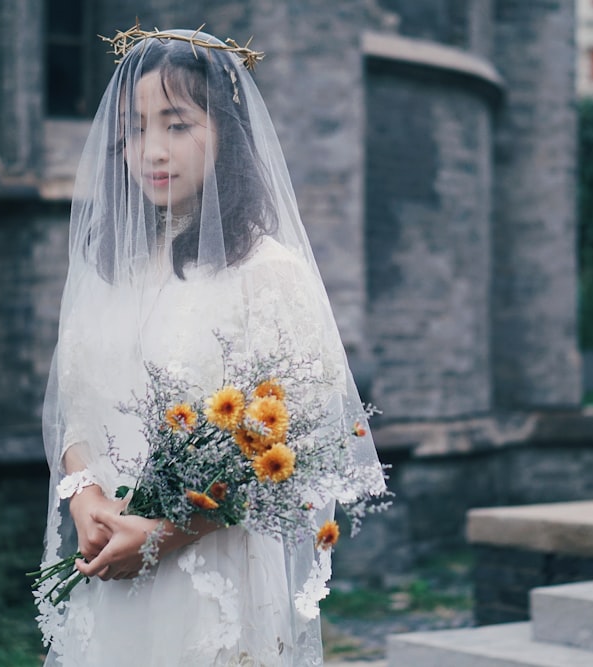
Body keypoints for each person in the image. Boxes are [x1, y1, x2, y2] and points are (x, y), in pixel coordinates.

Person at [37, 26, 386, 667]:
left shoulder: (268, 274)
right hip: (107, 559)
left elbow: (299, 443)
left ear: (226, 132)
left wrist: (164, 531)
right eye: (135, 131)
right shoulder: (110, 272)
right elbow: (74, 408)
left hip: (213, 567)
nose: (151, 152)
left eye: (176, 124)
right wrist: (86, 497)